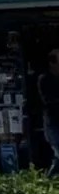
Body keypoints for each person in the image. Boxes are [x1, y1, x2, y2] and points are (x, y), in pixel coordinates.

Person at [40, 48, 59, 177]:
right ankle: (49, 179)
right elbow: (48, 100)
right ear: (52, 63)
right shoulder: (44, 79)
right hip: (53, 123)